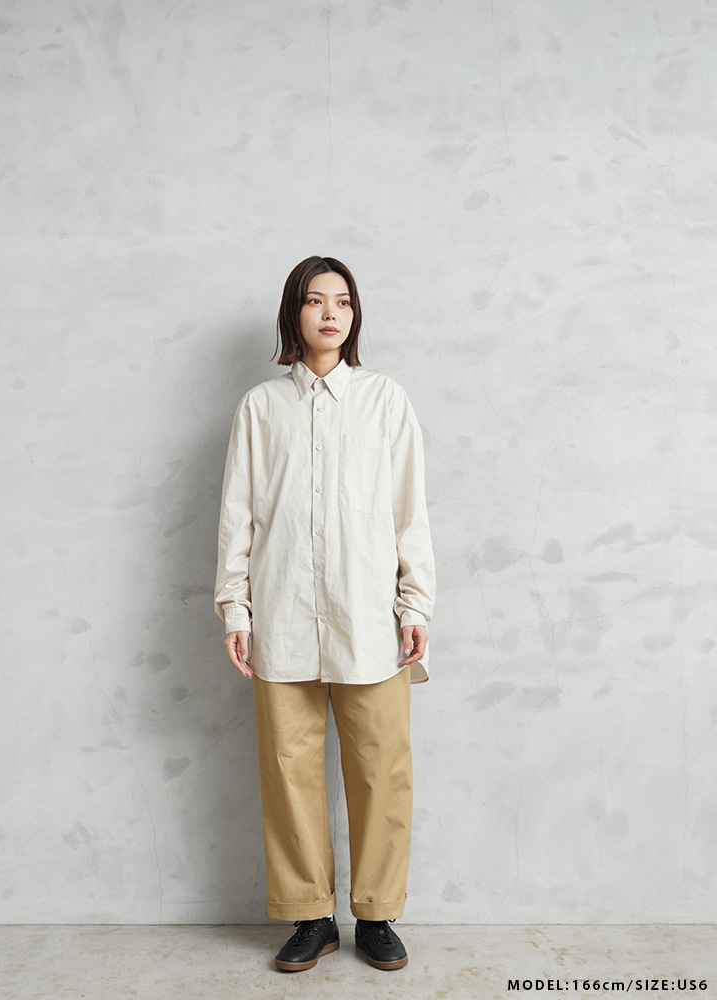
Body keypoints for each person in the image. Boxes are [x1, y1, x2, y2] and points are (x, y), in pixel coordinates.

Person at [213, 255, 436, 973]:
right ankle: (310, 915)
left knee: (382, 768)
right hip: (282, 613)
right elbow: (238, 517)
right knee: (289, 770)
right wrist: (236, 609)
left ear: (355, 314)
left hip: (369, 616)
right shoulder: (260, 408)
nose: (330, 313)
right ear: (294, 314)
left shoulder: (385, 400)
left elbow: (409, 513)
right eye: (315, 301)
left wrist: (415, 602)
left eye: (342, 301)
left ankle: (377, 913)